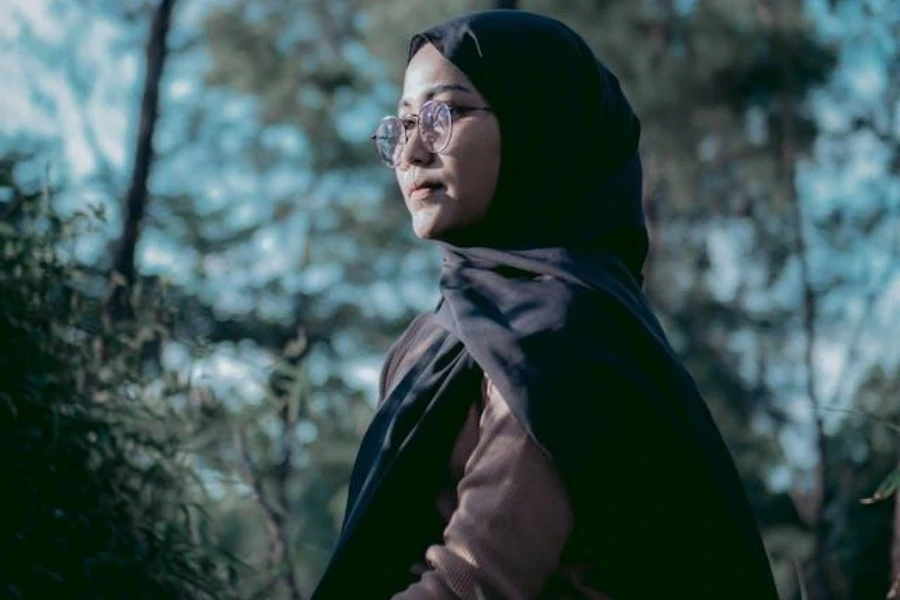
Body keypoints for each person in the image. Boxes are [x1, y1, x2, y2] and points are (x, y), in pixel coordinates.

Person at [310, 9, 780, 600]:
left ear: (538, 122)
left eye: (442, 114)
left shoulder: (560, 337)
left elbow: (473, 582)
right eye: (402, 125)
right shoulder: (432, 338)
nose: (412, 152)